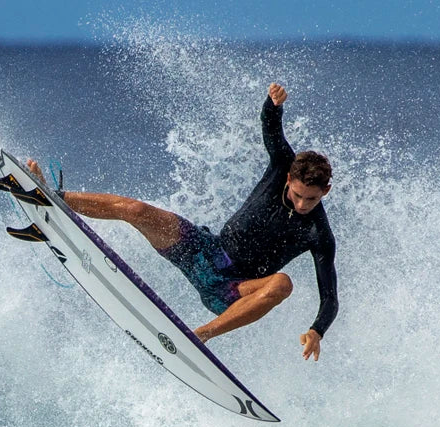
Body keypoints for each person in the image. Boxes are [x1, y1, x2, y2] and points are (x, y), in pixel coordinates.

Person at [28, 82, 337, 361]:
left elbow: (330, 298)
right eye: (298, 195)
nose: (301, 205)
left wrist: (317, 330)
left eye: (311, 199)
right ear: (288, 178)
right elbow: (271, 128)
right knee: (136, 210)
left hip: (233, 289)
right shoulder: (284, 163)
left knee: (283, 284)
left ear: (326, 190)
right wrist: (273, 103)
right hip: (205, 251)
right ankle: (53, 196)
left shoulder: (318, 234)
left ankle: (199, 336)